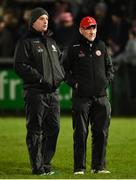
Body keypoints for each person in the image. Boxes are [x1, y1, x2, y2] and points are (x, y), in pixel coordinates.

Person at [14, 7, 64, 175]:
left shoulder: (51, 42)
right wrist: (40, 79)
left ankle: (45, 163)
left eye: (47, 19)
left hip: (53, 94)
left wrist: (60, 77)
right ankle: (38, 167)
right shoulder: (25, 41)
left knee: (54, 128)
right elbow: (20, 65)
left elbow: (60, 62)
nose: (45, 21)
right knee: (35, 130)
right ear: (33, 21)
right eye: (42, 18)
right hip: (35, 92)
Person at [63, 16, 114, 174]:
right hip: (81, 98)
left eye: (94, 27)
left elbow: (110, 68)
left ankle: (98, 167)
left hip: (101, 97)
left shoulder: (101, 45)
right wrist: (75, 84)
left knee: (101, 133)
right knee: (80, 133)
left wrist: (106, 81)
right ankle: (80, 167)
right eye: (88, 28)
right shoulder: (73, 47)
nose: (92, 31)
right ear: (81, 30)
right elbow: (63, 70)